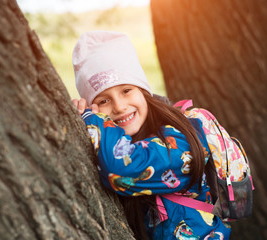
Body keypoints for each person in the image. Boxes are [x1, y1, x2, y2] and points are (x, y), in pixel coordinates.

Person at [72, 31, 232, 240]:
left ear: (143, 92)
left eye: (126, 90)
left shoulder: (179, 138)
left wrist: (91, 120)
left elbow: (121, 169)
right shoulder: (116, 143)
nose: (119, 106)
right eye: (103, 101)